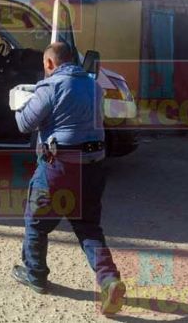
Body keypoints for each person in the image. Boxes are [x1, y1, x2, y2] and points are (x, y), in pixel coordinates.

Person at [11, 42, 126, 315]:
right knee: (88, 227)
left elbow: (24, 124)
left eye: (45, 65)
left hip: (59, 167)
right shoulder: (94, 86)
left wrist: (18, 103)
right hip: (94, 167)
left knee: (36, 223)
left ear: (50, 64)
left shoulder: (50, 86)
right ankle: (109, 280)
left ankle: (35, 275)